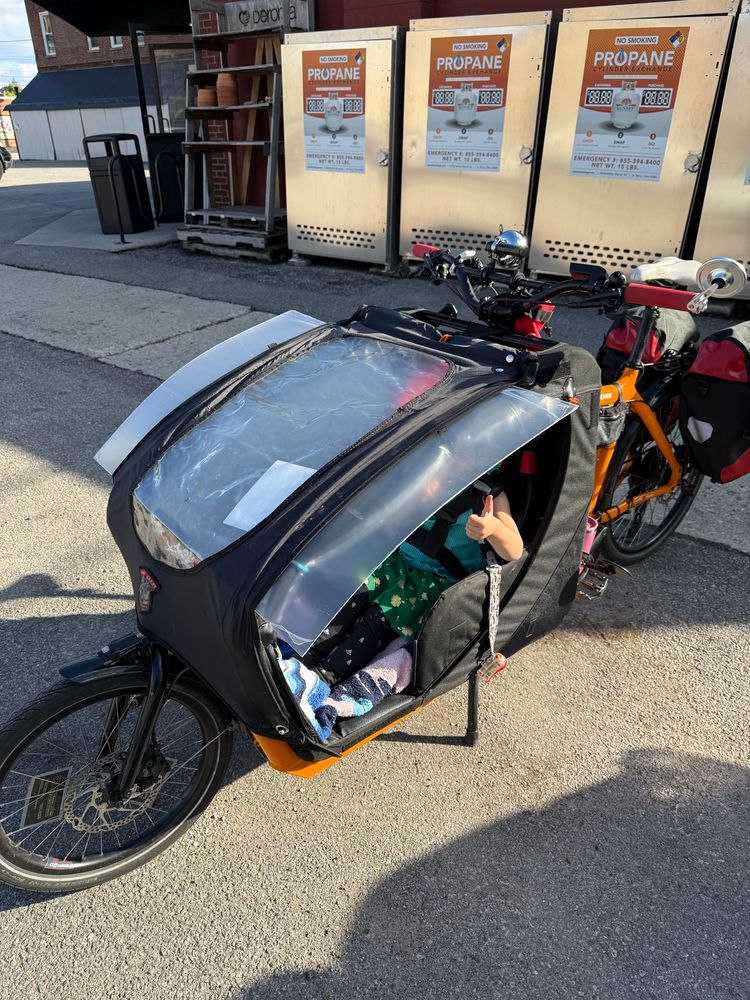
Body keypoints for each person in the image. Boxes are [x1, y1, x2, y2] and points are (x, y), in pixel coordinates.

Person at [318, 490, 523, 679]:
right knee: (350, 594)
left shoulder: (490, 493)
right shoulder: (427, 467)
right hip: (397, 562)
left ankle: (325, 674)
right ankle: (307, 654)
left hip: (432, 581)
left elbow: (514, 550)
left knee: (379, 618)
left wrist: (493, 528)